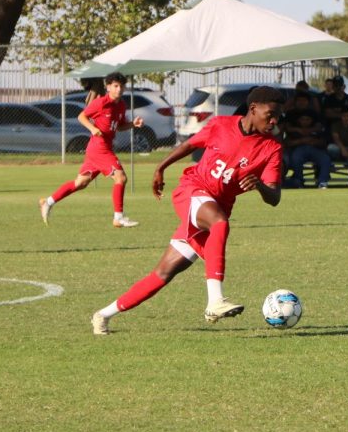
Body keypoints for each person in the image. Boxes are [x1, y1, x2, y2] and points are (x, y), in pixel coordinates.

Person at [88, 86, 285, 335]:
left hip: (215, 207)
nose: (275, 121)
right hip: (192, 191)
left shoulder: (271, 148)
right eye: (271, 114)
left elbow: (274, 197)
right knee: (220, 223)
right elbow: (190, 145)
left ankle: (103, 314)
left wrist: (259, 187)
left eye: (279, 116)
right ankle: (215, 301)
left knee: (163, 273)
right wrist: (161, 167)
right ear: (254, 109)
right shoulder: (221, 124)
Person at [39, 71, 143, 228]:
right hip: (99, 148)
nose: (119, 89)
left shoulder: (121, 106)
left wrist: (132, 124)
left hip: (102, 148)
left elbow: (119, 126)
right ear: (108, 87)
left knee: (81, 183)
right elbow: (81, 116)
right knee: (120, 178)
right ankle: (118, 217)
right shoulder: (101, 103)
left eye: (121, 86)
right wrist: (92, 128)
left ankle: (47, 202)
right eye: (115, 86)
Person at [283, 102, 332, 189]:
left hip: (315, 149)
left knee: (325, 159)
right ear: (299, 120)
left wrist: (314, 141)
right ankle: (299, 181)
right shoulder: (294, 131)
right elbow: (287, 143)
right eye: (303, 119)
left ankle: (322, 181)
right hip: (299, 149)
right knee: (295, 158)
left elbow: (324, 142)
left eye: (307, 119)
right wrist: (301, 141)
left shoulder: (317, 129)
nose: (305, 121)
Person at [330, 108, 348, 187]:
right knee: (331, 148)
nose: (346, 118)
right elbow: (336, 138)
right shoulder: (336, 125)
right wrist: (343, 149)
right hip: (339, 149)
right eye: (344, 116)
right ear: (341, 116)